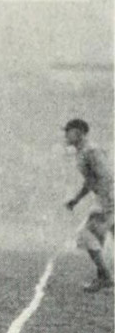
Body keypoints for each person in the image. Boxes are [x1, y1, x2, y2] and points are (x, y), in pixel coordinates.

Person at [63, 118, 114, 292]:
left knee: (86, 235)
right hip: (107, 198)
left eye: (68, 131)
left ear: (79, 133)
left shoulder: (91, 151)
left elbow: (106, 177)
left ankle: (106, 277)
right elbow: (90, 181)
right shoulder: (83, 152)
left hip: (109, 199)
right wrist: (76, 199)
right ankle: (103, 278)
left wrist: (105, 202)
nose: (65, 135)